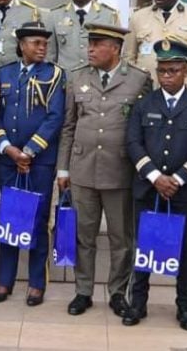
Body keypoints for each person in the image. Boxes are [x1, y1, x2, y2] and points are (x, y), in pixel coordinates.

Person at [57, 23, 151, 317]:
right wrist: (63, 169)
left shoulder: (138, 79)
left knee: (120, 238)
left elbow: (143, 128)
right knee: (83, 236)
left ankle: (118, 292)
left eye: (98, 44)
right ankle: (83, 291)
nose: (91, 49)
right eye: (90, 43)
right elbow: (69, 125)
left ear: (115, 48)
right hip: (83, 169)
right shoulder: (78, 76)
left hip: (119, 171)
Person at [121, 39, 187, 330]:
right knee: (144, 248)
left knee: (185, 251)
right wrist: (155, 177)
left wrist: (177, 178)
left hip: (183, 191)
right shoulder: (144, 104)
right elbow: (133, 142)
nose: (166, 77)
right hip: (148, 189)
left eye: (173, 71)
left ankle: (185, 307)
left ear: (185, 71)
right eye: (162, 71)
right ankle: (138, 303)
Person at [0, 21, 65, 306]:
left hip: (39, 162)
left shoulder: (54, 74)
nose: (42, 48)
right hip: (9, 160)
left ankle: (36, 284)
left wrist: (29, 152)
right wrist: (8, 149)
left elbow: (54, 118)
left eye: (45, 43)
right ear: (22, 45)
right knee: (8, 220)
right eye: (36, 43)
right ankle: (4, 281)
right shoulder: (5, 73)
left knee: (37, 220)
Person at [48, 0, 121, 69]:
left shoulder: (109, 16)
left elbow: (116, 57)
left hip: (96, 78)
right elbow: (50, 58)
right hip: (66, 78)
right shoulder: (54, 16)